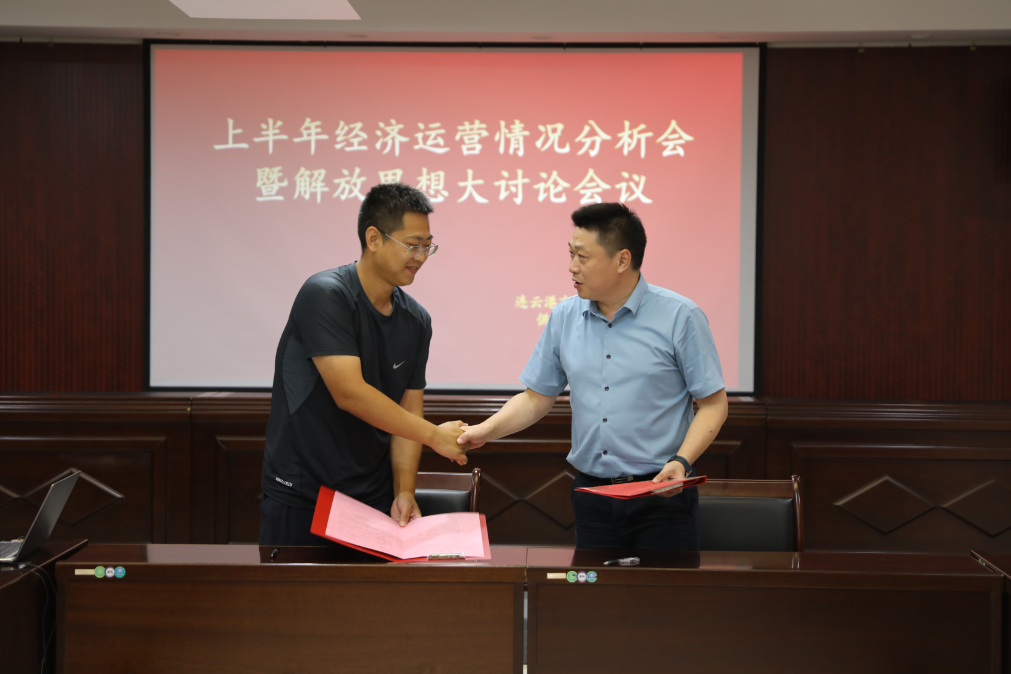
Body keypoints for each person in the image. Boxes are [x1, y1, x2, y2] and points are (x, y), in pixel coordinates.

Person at [457, 202, 727, 550]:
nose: (572, 267)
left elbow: (713, 405)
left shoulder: (680, 317)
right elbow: (536, 398)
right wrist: (485, 430)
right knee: (591, 586)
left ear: (622, 260)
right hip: (591, 494)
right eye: (570, 254)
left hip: (663, 491)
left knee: (664, 587)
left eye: (582, 257)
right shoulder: (564, 317)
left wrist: (681, 461)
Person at [260, 183, 469, 546]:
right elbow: (350, 394)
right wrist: (436, 436)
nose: (420, 257)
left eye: (427, 246)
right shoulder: (326, 295)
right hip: (304, 494)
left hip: (373, 498)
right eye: (412, 245)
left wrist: (404, 490)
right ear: (374, 238)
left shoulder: (416, 320)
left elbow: (409, 409)